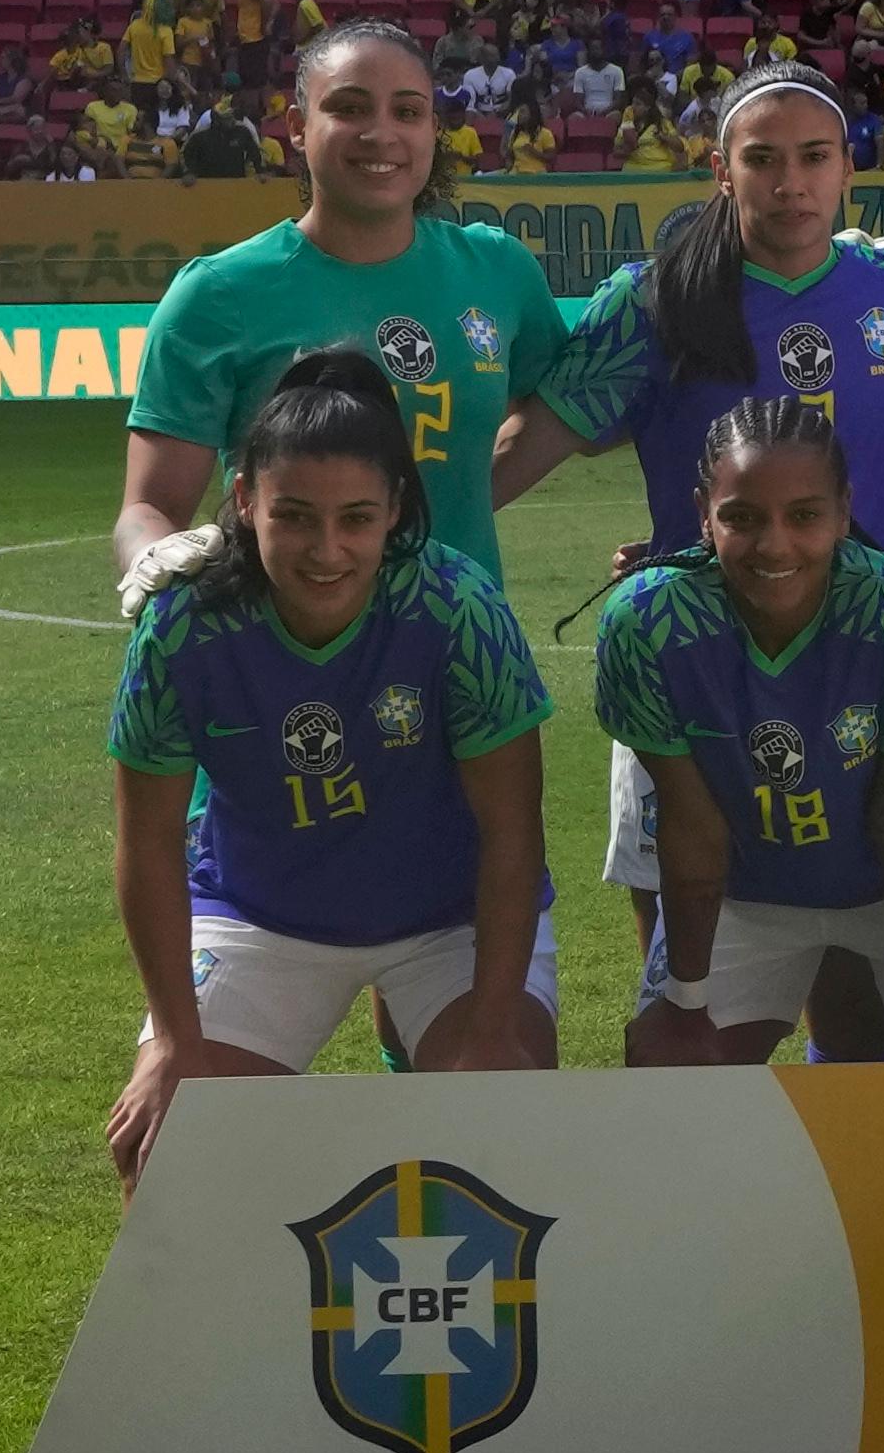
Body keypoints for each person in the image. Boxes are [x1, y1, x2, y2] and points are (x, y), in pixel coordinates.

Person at [537, 66, 884, 1039]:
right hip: (687, 673)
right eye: (763, 159)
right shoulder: (656, 299)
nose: (789, 181)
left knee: (851, 971)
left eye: (813, 158)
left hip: (859, 668)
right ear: (721, 171)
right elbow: (531, 439)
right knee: (684, 989)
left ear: (848, 172)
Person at [103, 350, 552, 1190]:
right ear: (244, 501)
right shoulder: (183, 625)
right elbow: (149, 841)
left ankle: (418, 1036)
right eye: (295, 517)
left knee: (503, 1132)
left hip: (445, 920)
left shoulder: (457, 606)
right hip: (258, 915)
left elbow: (511, 832)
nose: (326, 549)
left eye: (356, 518)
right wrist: (175, 1041)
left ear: (394, 512)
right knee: (173, 1152)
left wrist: (491, 1029)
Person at [590, 398, 884, 1066]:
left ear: (844, 511)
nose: (774, 545)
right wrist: (682, 1001)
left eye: (804, 515)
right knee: (671, 1070)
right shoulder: (647, 621)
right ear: (703, 511)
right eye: (741, 517)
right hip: (754, 885)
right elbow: (692, 823)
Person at [117, 21, 568, 597]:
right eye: (350, 108)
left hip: (460, 648)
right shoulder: (216, 295)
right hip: (280, 645)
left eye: (407, 112)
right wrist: (152, 554)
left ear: (434, 129)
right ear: (299, 128)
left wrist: (452, 504)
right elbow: (150, 505)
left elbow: (566, 410)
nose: (381, 133)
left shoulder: (500, 270)